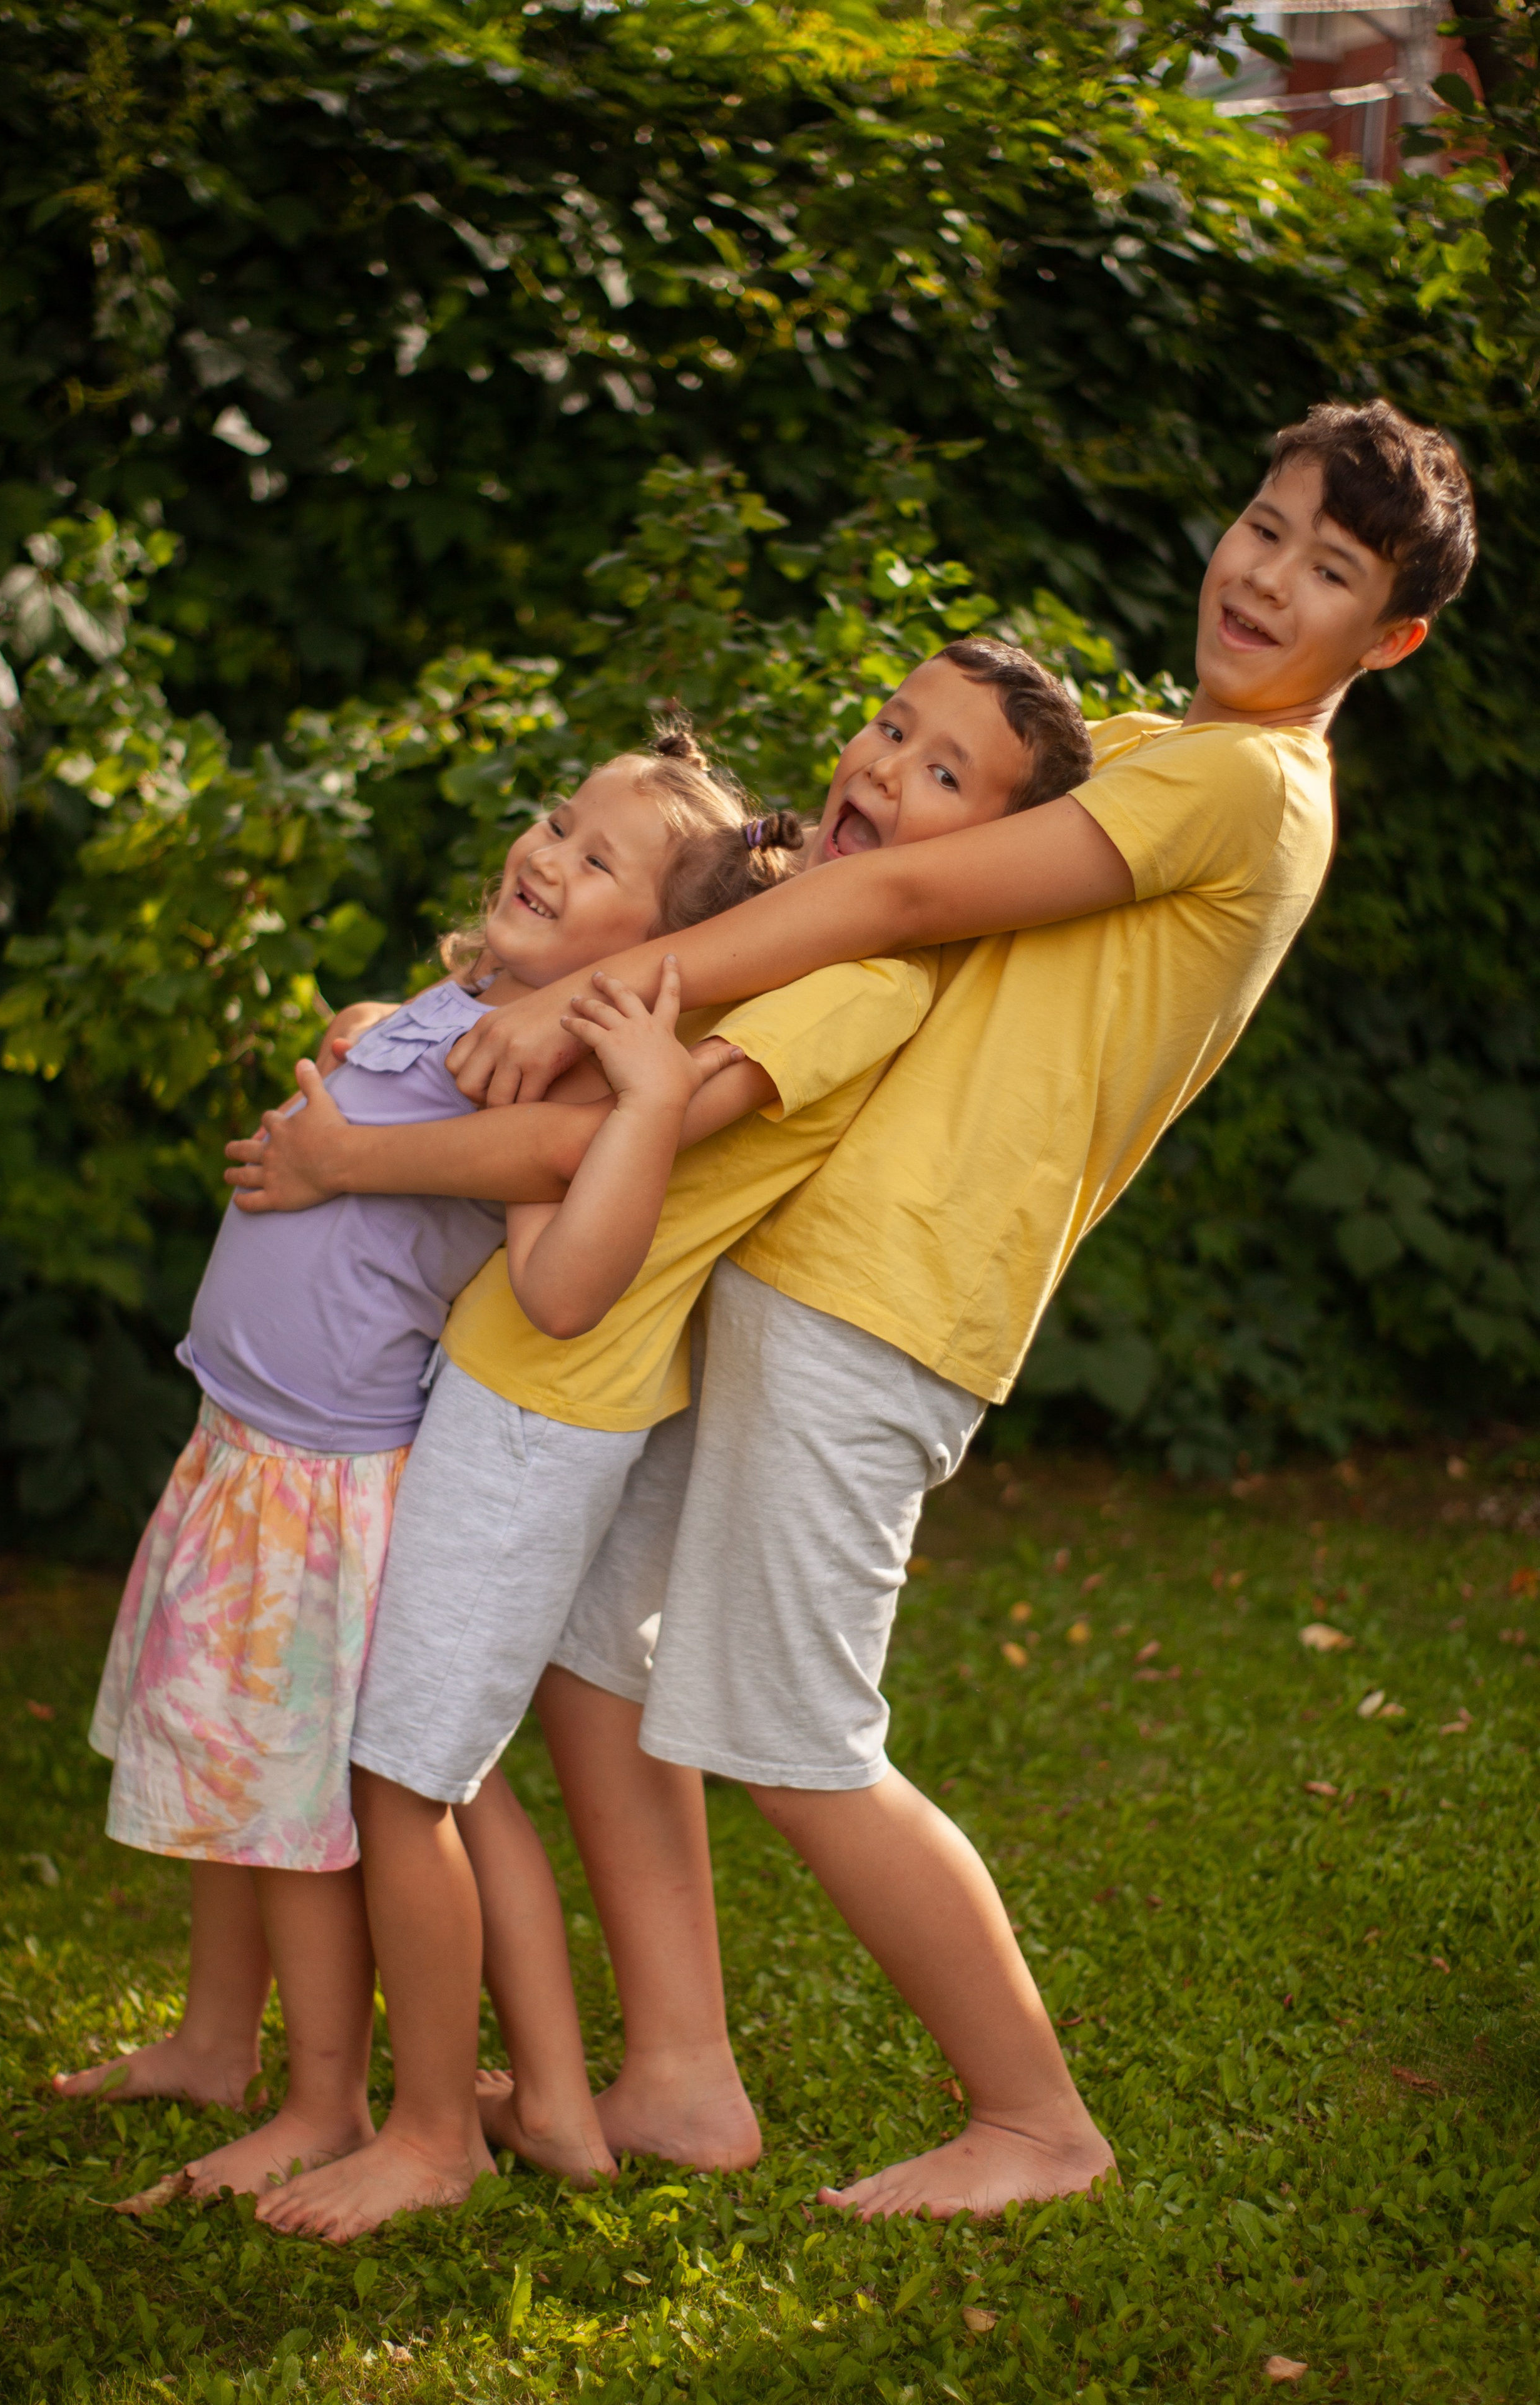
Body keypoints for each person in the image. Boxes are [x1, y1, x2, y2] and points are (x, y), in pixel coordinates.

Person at [377, 399, 1475, 2222]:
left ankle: (1035, 2119)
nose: (1270, 575)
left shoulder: (1244, 786)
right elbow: (873, 862)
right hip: (790, 1249)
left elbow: (888, 887)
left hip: (884, 1300)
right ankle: (678, 2079)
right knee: (591, 1654)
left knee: (798, 1733)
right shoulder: (1147, 747)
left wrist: (604, 1000)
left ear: (1393, 636)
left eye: (1332, 569)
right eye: (1267, 526)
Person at [229, 643, 1096, 2243]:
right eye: (893, 728)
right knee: (432, 1755)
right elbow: (555, 1073)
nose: (886, 768)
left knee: (403, 1773)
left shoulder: (859, 982)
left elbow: (593, 1148)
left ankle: (429, 2132)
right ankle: (572, 2099)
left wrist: (350, 1153)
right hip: (511, 1388)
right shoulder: (786, 946)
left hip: (541, 1400)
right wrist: (415, 1043)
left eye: (944, 775)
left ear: (981, 849)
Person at [54, 731, 801, 2202]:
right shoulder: (462, 1009)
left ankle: (337, 2099)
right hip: (245, 1438)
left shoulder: (559, 1078)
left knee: (329, 1795)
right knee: (237, 1763)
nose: (547, 852)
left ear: (656, 953)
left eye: (599, 861)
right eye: (553, 822)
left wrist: (376, 1135)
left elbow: (550, 1232)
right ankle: (218, 2039)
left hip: (329, 1471)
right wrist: (380, 1022)